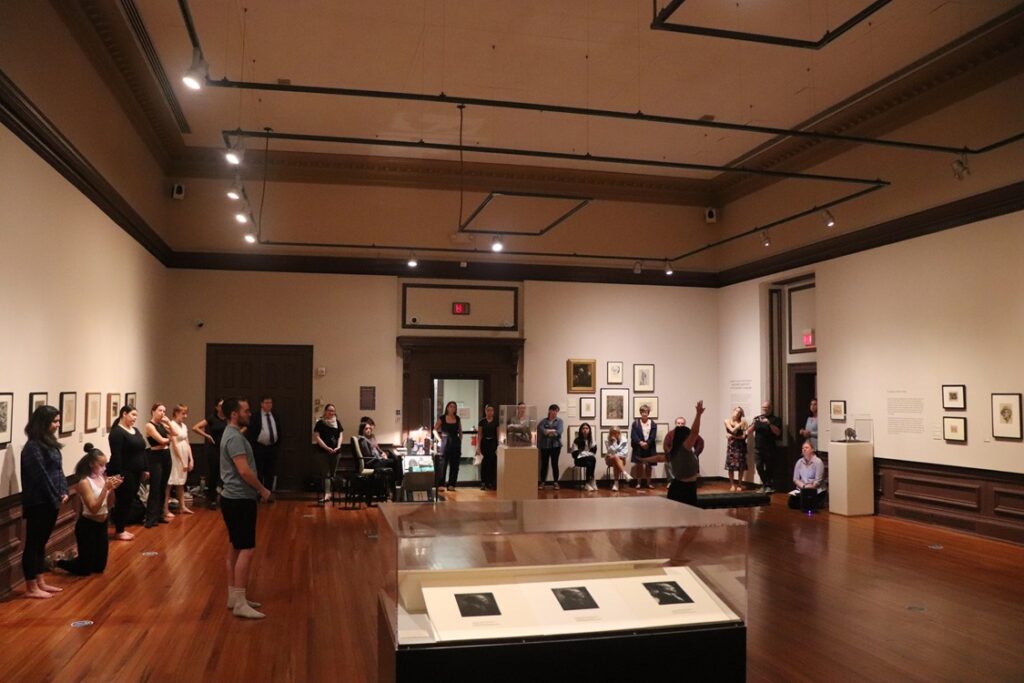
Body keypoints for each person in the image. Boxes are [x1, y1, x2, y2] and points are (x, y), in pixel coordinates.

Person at [220, 397, 271, 619]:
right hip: (239, 499)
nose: (250, 413)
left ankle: (234, 596)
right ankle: (240, 602)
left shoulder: (231, 435)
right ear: (234, 414)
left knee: (236, 547)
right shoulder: (235, 438)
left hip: (233, 499)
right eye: (246, 410)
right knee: (247, 548)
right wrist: (262, 490)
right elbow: (244, 471)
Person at [19, 405, 68, 599]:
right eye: (54, 421)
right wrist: (56, 494)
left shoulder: (50, 444)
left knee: (42, 543)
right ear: (43, 423)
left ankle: (40, 580)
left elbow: (58, 471)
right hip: (38, 502)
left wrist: (63, 490)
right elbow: (40, 476)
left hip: (52, 501)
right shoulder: (32, 447)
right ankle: (31, 586)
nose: (57, 425)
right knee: (33, 543)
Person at [56, 444, 122, 576]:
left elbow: (107, 505)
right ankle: (57, 562)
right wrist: (106, 489)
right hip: (88, 525)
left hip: (102, 524)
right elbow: (93, 508)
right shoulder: (84, 482)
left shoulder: (102, 478)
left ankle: (74, 556)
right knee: (84, 569)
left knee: (99, 567)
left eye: (105, 465)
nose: (104, 469)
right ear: (92, 464)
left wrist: (113, 488)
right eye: (101, 465)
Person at [643, 401, 705, 506]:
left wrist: (643, 459)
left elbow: (659, 458)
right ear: (685, 437)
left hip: (682, 487)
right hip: (684, 489)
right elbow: (694, 432)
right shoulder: (684, 449)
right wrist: (698, 414)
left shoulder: (675, 451)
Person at [107, 405, 148, 540]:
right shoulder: (117, 433)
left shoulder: (135, 430)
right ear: (124, 414)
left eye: (136, 415)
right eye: (132, 415)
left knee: (130, 500)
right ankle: (119, 530)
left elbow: (142, 450)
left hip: (136, 472)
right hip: (125, 472)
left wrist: (145, 468)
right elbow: (116, 455)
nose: (135, 418)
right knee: (123, 501)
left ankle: (122, 528)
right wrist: (119, 475)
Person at [192, 398, 228, 509]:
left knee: (225, 475)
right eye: (220, 405)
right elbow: (195, 427)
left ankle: (225, 498)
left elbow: (242, 426)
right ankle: (212, 499)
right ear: (217, 407)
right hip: (214, 450)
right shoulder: (212, 418)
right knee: (213, 474)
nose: (222, 407)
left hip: (226, 450)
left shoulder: (228, 418)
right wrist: (207, 436)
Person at [142, 403, 173, 528]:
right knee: (155, 487)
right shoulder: (149, 425)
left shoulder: (162, 424)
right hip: (155, 457)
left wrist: (170, 423)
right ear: (153, 411)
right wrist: (170, 439)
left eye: (164, 411)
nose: (163, 413)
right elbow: (161, 440)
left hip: (166, 455)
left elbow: (175, 433)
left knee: (163, 486)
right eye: (160, 410)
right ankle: (151, 518)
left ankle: (160, 515)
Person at [358, 421, 403, 498]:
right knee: (395, 461)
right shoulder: (363, 440)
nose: (368, 430)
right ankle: (396, 485)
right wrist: (382, 457)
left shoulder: (371, 438)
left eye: (369, 428)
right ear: (362, 430)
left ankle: (393, 487)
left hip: (377, 460)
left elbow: (377, 449)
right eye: (366, 429)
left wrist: (383, 453)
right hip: (372, 462)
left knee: (395, 462)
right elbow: (369, 454)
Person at [247, 395, 281, 495]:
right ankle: (259, 492)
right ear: (261, 404)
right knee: (259, 471)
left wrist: (277, 445)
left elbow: (279, 431)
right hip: (259, 447)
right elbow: (251, 433)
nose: (269, 405)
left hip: (272, 447)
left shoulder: (275, 415)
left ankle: (268, 493)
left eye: (270, 403)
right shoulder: (255, 416)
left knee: (270, 471)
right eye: (267, 403)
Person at [167, 404, 194, 515]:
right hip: (174, 455)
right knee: (171, 481)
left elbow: (187, 443)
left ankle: (182, 506)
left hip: (184, 454)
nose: (185, 416)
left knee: (181, 482)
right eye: (183, 413)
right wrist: (182, 462)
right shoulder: (171, 425)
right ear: (176, 413)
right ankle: (165, 508)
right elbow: (174, 444)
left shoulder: (183, 426)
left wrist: (190, 459)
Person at [314, 404, 344, 503]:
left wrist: (338, 446)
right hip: (323, 452)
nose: (331, 413)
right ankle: (327, 494)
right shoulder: (320, 423)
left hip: (336, 452)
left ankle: (331, 493)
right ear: (325, 411)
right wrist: (326, 448)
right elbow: (317, 437)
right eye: (329, 410)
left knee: (332, 473)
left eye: (333, 411)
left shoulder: (337, 423)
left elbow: (340, 435)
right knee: (326, 473)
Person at [752, 400, 783, 493]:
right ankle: (765, 484)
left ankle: (769, 486)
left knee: (769, 467)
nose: (765, 409)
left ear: (771, 408)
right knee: (759, 466)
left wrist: (769, 423)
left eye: (767, 408)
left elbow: (778, 433)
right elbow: (748, 431)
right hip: (758, 447)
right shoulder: (758, 418)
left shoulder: (776, 419)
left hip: (769, 448)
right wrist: (754, 423)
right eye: (763, 408)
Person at [662, 416, 704, 481]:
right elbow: (665, 445)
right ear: (675, 424)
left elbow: (700, 442)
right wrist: (670, 453)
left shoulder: (689, 432)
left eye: (682, 423)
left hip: (688, 456)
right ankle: (672, 481)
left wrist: (696, 454)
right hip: (675, 456)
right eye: (678, 423)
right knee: (667, 463)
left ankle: (688, 480)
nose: (680, 425)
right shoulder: (670, 434)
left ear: (684, 424)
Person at [789, 440, 826, 511]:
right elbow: (795, 479)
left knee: (809, 504)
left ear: (812, 450)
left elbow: (817, 482)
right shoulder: (799, 462)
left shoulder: (818, 462)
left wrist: (810, 487)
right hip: (803, 489)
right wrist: (804, 486)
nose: (804, 449)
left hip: (815, 490)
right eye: (803, 448)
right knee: (791, 502)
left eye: (806, 447)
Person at [434, 402, 463, 491]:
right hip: (445, 441)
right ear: (447, 408)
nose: (452, 408)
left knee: (455, 464)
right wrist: (439, 440)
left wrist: (460, 441)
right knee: (443, 464)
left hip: (455, 442)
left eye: (454, 407)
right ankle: (441, 484)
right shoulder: (442, 418)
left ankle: (451, 484)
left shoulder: (457, 418)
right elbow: (434, 430)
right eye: (450, 406)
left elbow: (460, 431)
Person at [630, 405, 658, 489]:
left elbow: (653, 436)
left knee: (649, 465)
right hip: (638, 447)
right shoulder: (636, 423)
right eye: (642, 412)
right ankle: (638, 483)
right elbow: (633, 435)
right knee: (639, 465)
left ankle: (648, 483)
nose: (644, 414)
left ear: (648, 413)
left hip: (650, 447)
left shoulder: (653, 423)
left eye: (646, 412)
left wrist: (647, 443)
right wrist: (640, 442)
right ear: (640, 413)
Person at [537, 404, 564, 490]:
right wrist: (551, 431)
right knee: (544, 464)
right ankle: (542, 482)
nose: (555, 412)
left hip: (556, 446)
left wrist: (549, 431)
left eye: (556, 411)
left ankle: (556, 482)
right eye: (553, 410)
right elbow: (542, 431)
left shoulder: (559, 421)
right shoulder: (543, 421)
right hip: (544, 446)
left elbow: (559, 432)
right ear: (549, 411)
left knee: (554, 464)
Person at [723, 407, 749, 492]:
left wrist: (733, 436)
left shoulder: (744, 422)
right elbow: (732, 430)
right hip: (731, 446)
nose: (737, 413)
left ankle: (740, 484)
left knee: (740, 466)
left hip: (740, 446)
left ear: (741, 414)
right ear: (733, 411)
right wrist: (737, 427)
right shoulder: (727, 421)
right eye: (736, 411)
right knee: (731, 466)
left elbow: (744, 436)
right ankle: (732, 484)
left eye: (739, 412)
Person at [476, 404, 499, 490]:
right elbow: (479, 434)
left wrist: (498, 446)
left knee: (492, 462)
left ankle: (490, 482)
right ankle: (483, 482)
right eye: (488, 410)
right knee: (484, 462)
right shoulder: (482, 421)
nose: (490, 412)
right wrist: (478, 446)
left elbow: (498, 434)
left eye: (491, 410)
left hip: (493, 443)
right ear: (485, 411)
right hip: (484, 442)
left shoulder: (496, 422)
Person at [570, 422, 598, 491]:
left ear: (589, 430)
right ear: (581, 430)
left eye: (587, 428)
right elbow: (575, 454)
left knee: (591, 461)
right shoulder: (576, 440)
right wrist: (587, 453)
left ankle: (588, 483)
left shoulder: (592, 441)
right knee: (592, 459)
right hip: (579, 460)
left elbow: (593, 452)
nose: (585, 430)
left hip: (588, 460)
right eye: (583, 428)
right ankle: (591, 480)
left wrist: (582, 453)